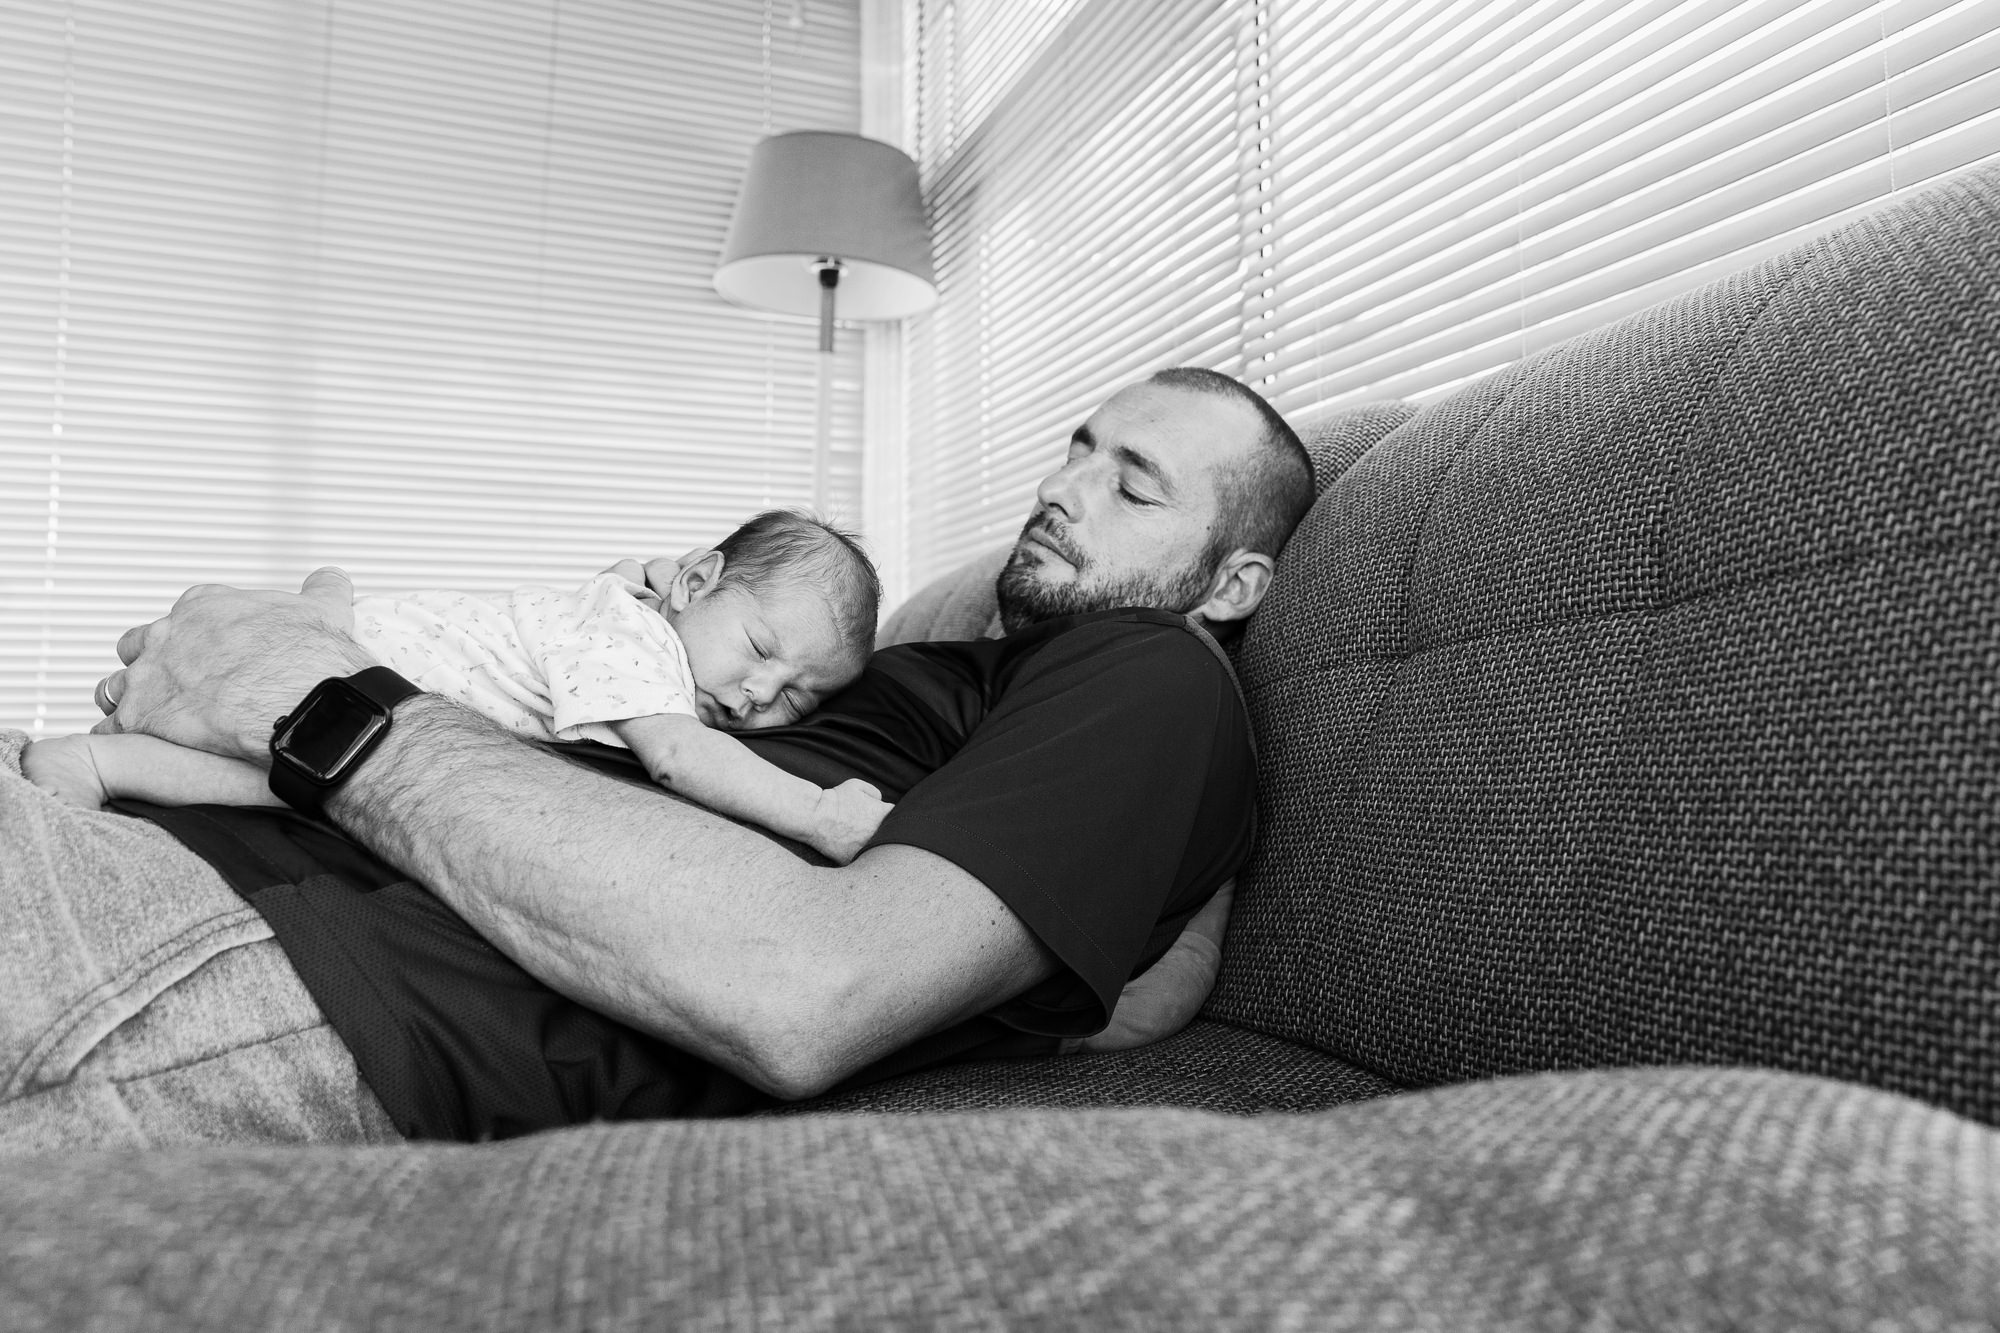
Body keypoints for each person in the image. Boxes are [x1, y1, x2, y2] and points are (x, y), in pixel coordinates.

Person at [0, 365, 1315, 1150]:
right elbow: (1114, 985)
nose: (1064, 488)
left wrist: (313, 698)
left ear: (1236, 577)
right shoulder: (972, 669)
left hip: (304, 970)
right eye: (1077, 448)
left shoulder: (1152, 676)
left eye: (1134, 487)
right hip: (217, 872)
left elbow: (814, 985)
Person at [23, 510, 893, 864]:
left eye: (796, 698)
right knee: (303, 779)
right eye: (759, 649)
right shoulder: (637, 644)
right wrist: (817, 813)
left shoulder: (633, 610)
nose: (755, 696)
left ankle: (326, 592)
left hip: (374, 650)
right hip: (354, 678)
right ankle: (103, 766)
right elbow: (679, 759)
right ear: (697, 585)